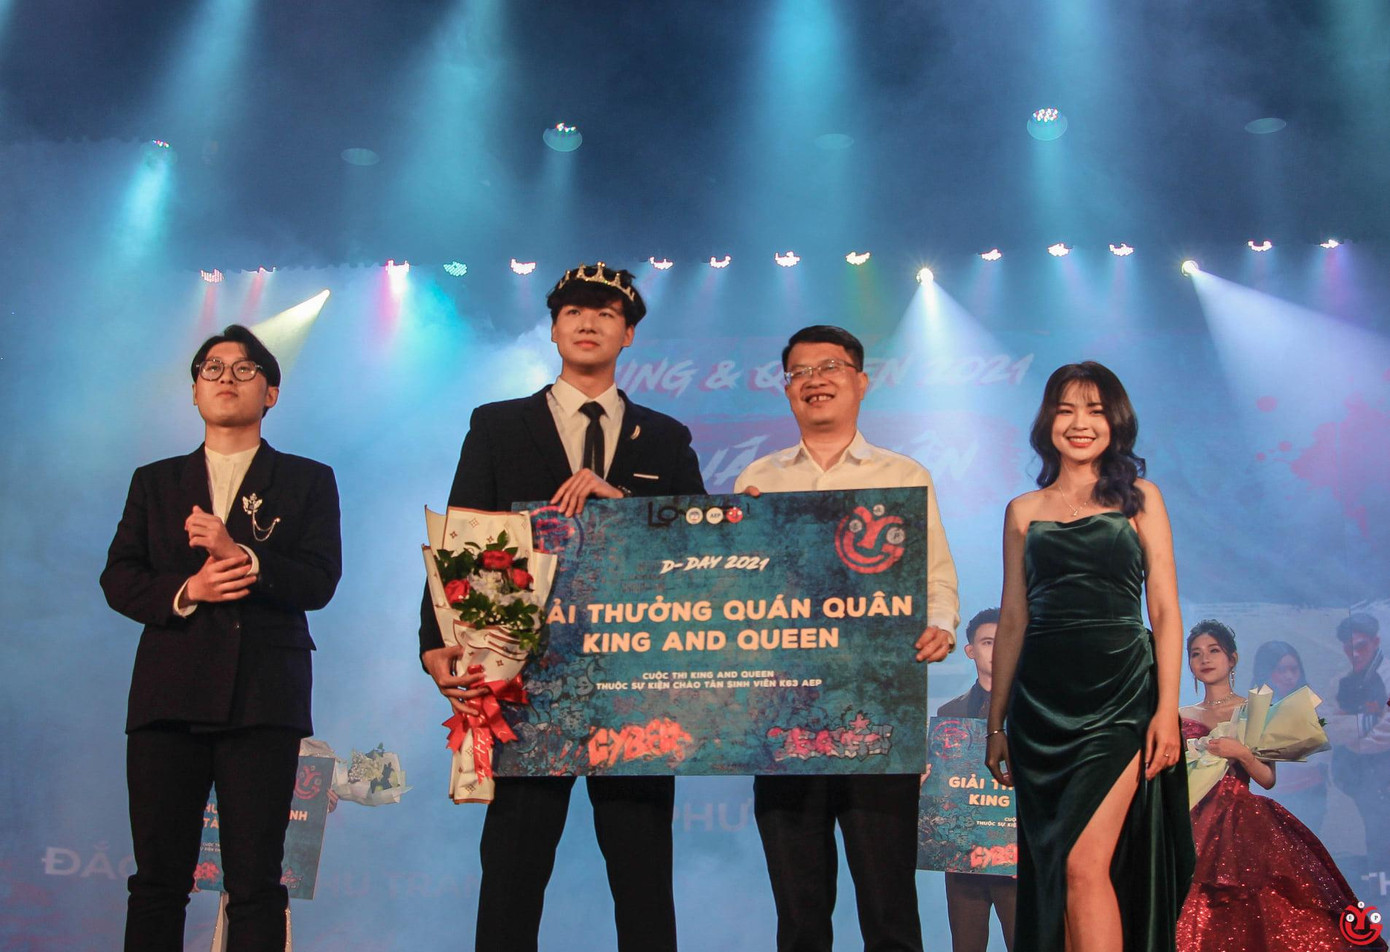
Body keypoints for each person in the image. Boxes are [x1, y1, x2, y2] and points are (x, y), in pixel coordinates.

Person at [418, 262, 704, 952]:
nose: (587, 322)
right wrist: (433, 638)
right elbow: (461, 535)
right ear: (552, 329)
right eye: (573, 310)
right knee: (512, 872)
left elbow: (697, 552)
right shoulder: (498, 425)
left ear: (628, 334)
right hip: (525, 681)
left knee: (642, 876)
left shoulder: (666, 437)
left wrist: (624, 507)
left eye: (606, 312)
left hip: (634, 686)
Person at [101, 324, 342, 951]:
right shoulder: (155, 481)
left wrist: (245, 559)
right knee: (157, 881)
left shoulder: (308, 479)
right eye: (211, 369)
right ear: (194, 391)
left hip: (263, 697)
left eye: (243, 369)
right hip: (169, 696)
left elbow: (319, 580)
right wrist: (190, 589)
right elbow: (119, 578)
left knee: (255, 881)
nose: (225, 379)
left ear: (271, 393)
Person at [734, 324, 959, 952]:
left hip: (877, 717)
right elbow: (734, 591)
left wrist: (941, 625)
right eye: (800, 372)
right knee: (799, 910)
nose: (815, 380)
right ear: (787, 390)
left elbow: (936, 575)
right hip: (783, 718)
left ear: (861, 382)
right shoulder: (757, 479)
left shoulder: (903, 474)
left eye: (830, 367)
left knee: (889, 907)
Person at [984, 361, 1194, 952]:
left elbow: (1165, 611)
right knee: (1058, 871)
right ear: (1047, 420)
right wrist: (995, 724)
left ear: (1115, 422)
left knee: (1084, 863)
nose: (1080, 423)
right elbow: (1014, 619)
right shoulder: (1022, 510)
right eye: (1067, 410)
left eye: (1096, 411)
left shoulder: (1141, 498)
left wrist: (1167, 711)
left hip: (1121, 698)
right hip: (1040, 710)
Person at [1176, 621, 1385, 952]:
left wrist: (1240, 753)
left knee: (1260, 908)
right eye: (1195, 654)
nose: (1205, 659)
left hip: (1240, 821)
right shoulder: (1179, 715)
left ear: (1232, 658)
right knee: (1191, 908)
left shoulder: (1253, 710)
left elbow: (1267, 779)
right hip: (1190, 820)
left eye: (1214, 650)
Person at [938, 608, 1016, 952]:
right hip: (963, 858)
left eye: (1005, 641)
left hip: (1017, 856)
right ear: (970, 650)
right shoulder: (948, 715)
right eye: (987, 642)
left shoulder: (1035, 711)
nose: (997, 650)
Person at [1325, 612, 1390, 872]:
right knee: (1371, 835)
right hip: (1354, 775)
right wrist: (1366, 722)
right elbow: (1327, 726)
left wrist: (1354, 734)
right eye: (1349, 648)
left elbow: (1386, 731)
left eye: (1361, 646)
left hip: (1384, 770)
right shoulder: (1339, 681)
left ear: (1376, 642)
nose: (1355, 654)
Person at [1248, 640, 1328, 831]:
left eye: (1293, 669)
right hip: (1273, 794)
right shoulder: (1255, 706)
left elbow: (1322, 751)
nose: (1289, 676)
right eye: (1280, 670)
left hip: (1310, 791)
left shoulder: (1311, 702)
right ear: (1266, 672)